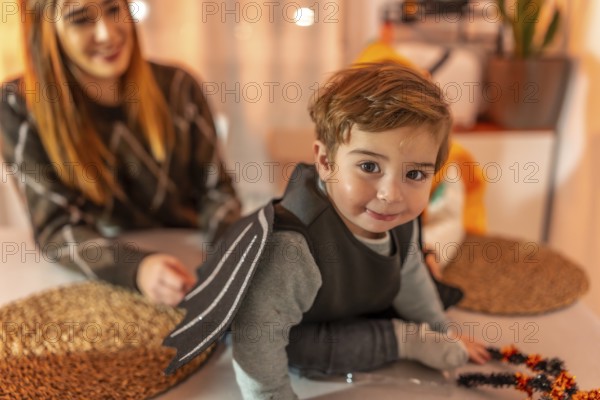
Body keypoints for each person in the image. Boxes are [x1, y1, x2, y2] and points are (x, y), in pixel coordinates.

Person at [164, 62, 490, 399]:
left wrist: (441, 330)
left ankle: (405, 337)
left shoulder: (400, 219)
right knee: (301, 348)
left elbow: (410, 277)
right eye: (369, 167)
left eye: (415, 175)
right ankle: (402, 340)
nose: (391, 195)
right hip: (273, 323)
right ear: (325, 162)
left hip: (334, 307)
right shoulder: (293, 247)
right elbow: (259, 335)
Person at [0, 0, 240, 306]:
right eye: (80, 19)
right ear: (46, 32)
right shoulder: (17, 105)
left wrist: (229, 253)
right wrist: (137, 268)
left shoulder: (180, 87)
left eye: (114, 9)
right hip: (94, 287)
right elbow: (56, 228)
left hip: (191, 264)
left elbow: (216, 191)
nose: (108, 34)